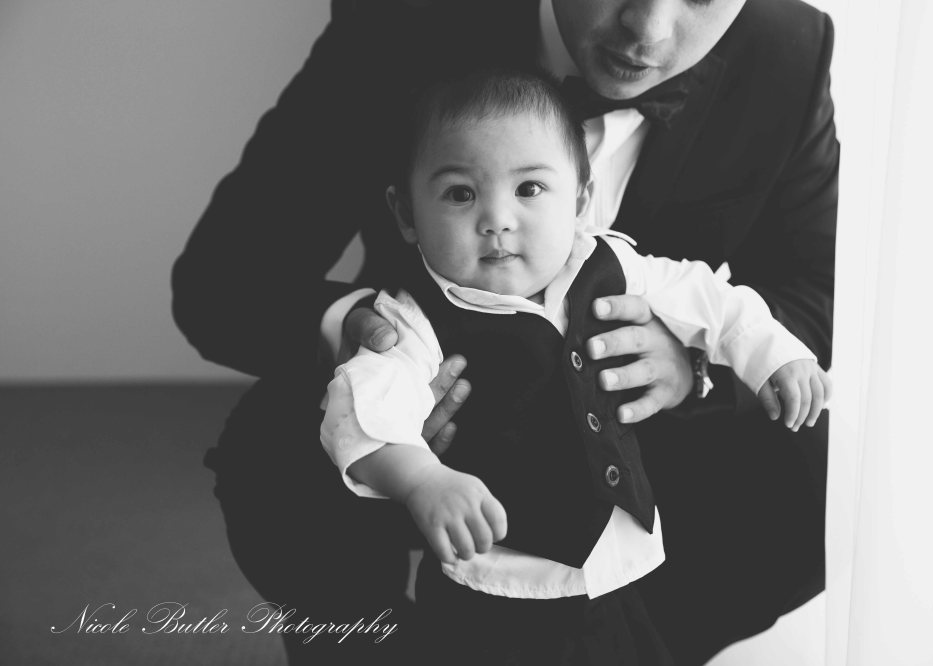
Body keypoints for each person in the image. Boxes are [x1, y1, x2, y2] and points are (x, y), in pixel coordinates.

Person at [171, 1, 837, 664]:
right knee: (268, 461)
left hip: (633, 429)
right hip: (425, 401)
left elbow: (816, 288)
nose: (649, 31)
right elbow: (218, 282)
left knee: (817, 482)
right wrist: (363, 339)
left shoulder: (787, 51)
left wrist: (690, 365)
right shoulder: (396, 21)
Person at [319, 68, 831, 665]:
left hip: (614, 560)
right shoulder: (415, 321)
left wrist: (776, 354)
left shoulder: (606, 263)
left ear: (581, 200)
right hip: (496, 581)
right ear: (407, 214)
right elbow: (362, 407)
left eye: (530, 188)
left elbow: (707, 296)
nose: (497, 219)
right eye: (460, 194)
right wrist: (421, 480)